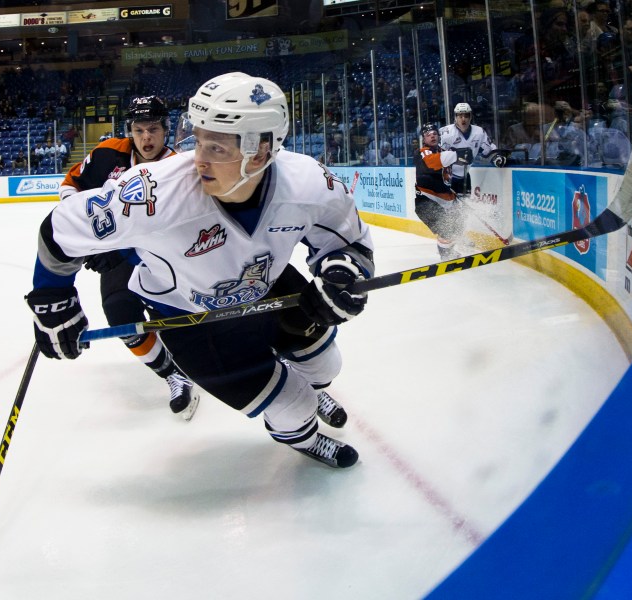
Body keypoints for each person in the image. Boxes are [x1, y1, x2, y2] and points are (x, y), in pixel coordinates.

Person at [27, 73, 375, 468]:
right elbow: (59, 229)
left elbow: (347, 241)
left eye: (217, 146)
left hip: (269, 285)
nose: (198, 158)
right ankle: (304, 434)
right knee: (293, 406)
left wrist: (342, 273)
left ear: (261, 151)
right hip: (188, 318)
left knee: (327, 365)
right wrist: (52, 300)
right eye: (198, 139)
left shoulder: (308, 181)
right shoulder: (152, 193)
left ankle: (310, 386)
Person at [56, 96, 198, 420]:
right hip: (118, 254)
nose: (147, 138)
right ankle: (170, 373)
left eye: (154, 129)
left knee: (180, 316)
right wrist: (92, 242)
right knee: (119, 311)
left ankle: (194, 355)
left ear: (165, 130)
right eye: (139, 130)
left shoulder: (179, 167)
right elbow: (70, 187)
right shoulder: (108, 153)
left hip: (164, 256)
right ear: (129, 131)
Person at [413, 122, 473, 260]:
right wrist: (456, 155)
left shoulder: (444, 152)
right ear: (424, 138)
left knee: (459, 223)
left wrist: (461, 159)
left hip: (446, 199)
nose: (432, 136)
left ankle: (449, 249)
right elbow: (431, 163)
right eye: (428, 135)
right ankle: (446, 255)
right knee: (447, 229)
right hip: (426, 202)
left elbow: (450, 174)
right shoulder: (422, 153)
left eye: (434, 134)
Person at [438, 103, 507, 194]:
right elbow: (436, 153)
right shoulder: (445, 133)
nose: (463, 119)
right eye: (460, 116)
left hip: (465, 176)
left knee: (464, 205)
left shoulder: (479, 132)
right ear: (455, 117)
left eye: (466, 116)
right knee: (447, 205)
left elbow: (489, 150)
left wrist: (496, 157)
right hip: (446, 178)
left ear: (470, 117)